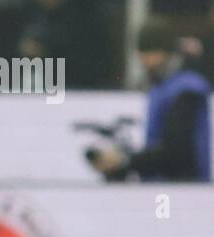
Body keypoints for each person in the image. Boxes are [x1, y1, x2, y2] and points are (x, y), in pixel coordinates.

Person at [90, 18, 211, 182]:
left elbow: (177, 151)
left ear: (164, 52)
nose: (141, 58)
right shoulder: (163, 87)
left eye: (147, 51)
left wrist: (126, 161)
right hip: (166, 188)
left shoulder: (186, 90)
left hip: (183, 192)